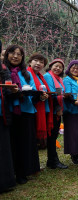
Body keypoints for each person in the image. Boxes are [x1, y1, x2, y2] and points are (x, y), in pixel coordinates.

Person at [3, 45, 41, 184]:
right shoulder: (4, 71)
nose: (15, 56)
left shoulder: (26, 73)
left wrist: (39, 96)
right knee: (13, 143)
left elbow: (34, 90)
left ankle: (23, 171)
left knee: (26, 143)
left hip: (27, 111)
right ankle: (12, 171)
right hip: (11, 111)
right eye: (12, 53)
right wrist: (14, 93)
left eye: (19, 54)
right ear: (7, 54)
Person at [43, 58, 68, 169]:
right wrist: (58, 108)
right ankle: (53, 161)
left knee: (53, 136)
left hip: (57, 109)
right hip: (52, 109)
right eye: (56, 66)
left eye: (60, 67)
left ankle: (52, 160)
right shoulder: (48, 76)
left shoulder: (59, 79)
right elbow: (51, 92)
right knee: (52, 137)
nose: (57, 68)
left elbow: (60, 93)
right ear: (51, 66)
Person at [0, 41, 16, 193]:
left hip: (2, 112)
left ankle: (5, 181)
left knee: (4, 148)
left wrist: (13, 90)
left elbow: (7, 90)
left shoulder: (3, 69)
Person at [27, 53, 51, 149]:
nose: (38, 63)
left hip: (40, 105)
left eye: (41, 62)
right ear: (30, 62)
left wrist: (43, 96)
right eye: (36, 61)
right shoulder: (26, 73)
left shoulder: (40, 77)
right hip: (30, 107)